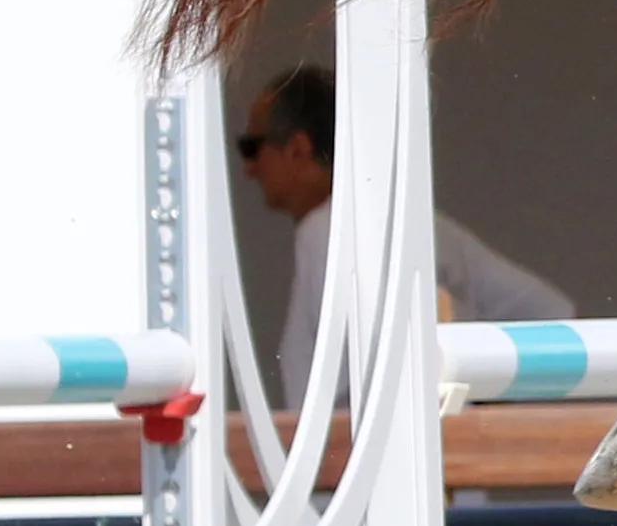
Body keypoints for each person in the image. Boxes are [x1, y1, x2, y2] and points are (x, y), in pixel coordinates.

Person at [236, 61, 571, 409]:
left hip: (368, 455)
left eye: (250, 147)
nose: (248, 169)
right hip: (444, 445)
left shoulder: (327, 231)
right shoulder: (425, 226)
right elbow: (552, 313)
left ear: (298, 149)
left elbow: (372, 369)